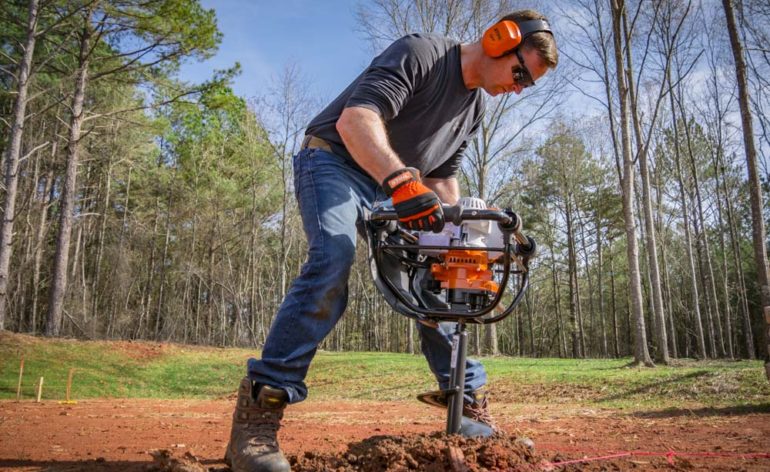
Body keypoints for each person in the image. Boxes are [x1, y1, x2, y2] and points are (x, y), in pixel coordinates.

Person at [225, 9, 558, 472]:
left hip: (400, 188)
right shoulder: (421, 53)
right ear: (498, 39)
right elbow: (355, 120)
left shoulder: (475, 108)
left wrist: (458, 240)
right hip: (335, 163)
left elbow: (442, 175)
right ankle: (259, 416)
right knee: (333, 258)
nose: (518, 88)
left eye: (528, 85)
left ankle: (464, 403)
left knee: (442, 278)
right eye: (520, 73)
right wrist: (401, 182)